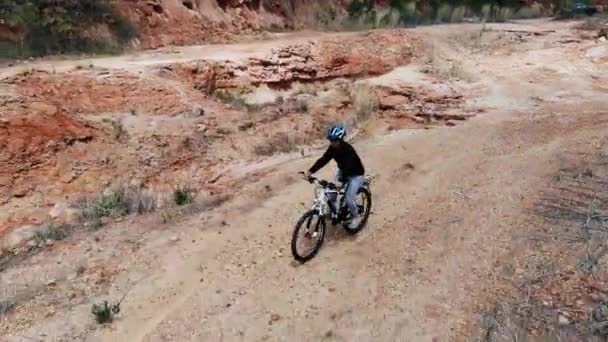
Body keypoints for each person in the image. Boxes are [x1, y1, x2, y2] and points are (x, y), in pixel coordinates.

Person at [305, 124, 365, 229]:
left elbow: (349, 167)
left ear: (340, 139)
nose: (332, 143)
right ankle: (336, 212)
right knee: (330, 192)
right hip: (343, 171)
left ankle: (356, 217)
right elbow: (323, 159)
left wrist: (340, 182)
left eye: (334, 140)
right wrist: (310, 171)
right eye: (331, 140)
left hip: (355, 175)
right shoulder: (332, 148)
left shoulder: (348, 150)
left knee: (349, 198)